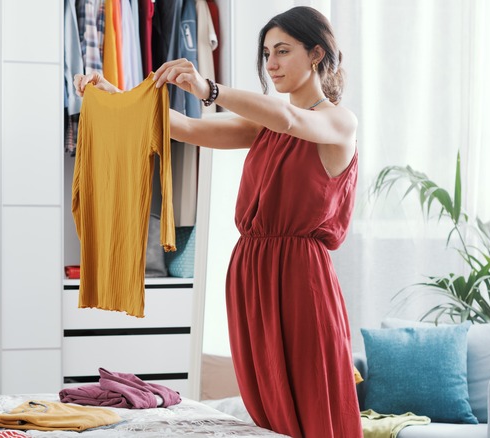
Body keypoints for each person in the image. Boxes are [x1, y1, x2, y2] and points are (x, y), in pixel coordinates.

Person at [74, 6, 361, 438]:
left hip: (301, 277)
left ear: (317, 53)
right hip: (251, 272)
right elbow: (185, 127)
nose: (272, 64)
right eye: (266, 54)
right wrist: (109, 93)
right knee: (267, 404)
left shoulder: (338, 121)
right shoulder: (265, 126)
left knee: (312, 396)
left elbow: (290, 118)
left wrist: (210, 89)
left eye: (283, 51)